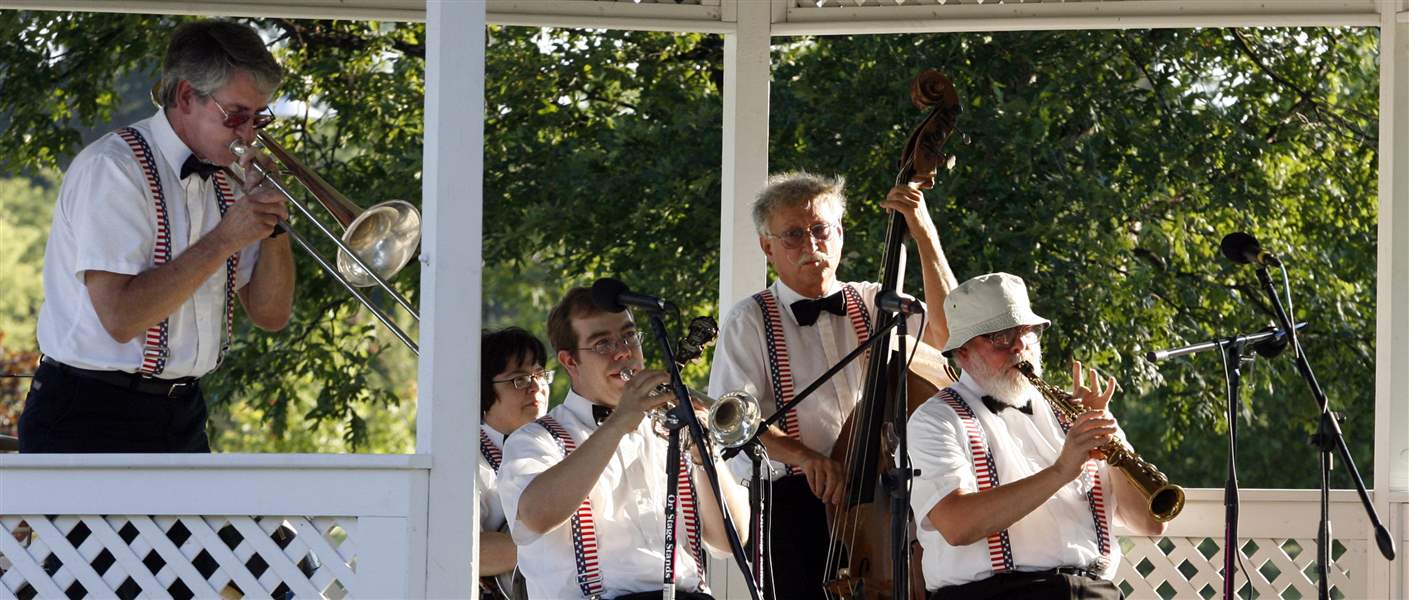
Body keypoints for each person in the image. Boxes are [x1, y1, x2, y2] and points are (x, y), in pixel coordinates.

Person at [20, 19, 295, 453]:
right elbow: (121, 319)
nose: (249, 134)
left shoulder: (228, 180)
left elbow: (271, 315)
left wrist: (274, 220)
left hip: (183, 412)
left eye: (258, 117)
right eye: (236, 116)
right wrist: (225, 239)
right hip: (89, 413)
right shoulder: (114, 168)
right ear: (186, 96)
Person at [707, 171, 959, 598]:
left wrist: (923, 233)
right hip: (793, 502)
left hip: (880, 498)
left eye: (821, 230)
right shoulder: (748, 319)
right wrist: (805, 457)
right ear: (767, 247)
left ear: (840, 233)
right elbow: (735, 423)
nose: (811, 245)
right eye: (793, 235)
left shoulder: (879, 302)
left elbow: (952, 332)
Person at [906, 272, 1168, 599]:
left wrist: (1110, 445)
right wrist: (1062, 471)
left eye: (1028, 332)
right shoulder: (935, 419)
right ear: (963, 351)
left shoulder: (1073, 412)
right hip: (995, 595)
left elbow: (1152, 524)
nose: (1020, 346)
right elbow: (956, 524)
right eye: (1001, 337)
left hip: (1094, 591)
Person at [498, 287, 750, 600]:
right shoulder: (535, 440)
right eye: (603, 343)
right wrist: (619, 422)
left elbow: (731, 539)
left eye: (629, 336)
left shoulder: (671, 429)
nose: (623, 352)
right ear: (570, 361)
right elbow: (535, 516)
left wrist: (705, 452)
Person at [478, 327, 552, 598]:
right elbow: (463, 548)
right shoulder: (466, 458)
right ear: (483, 389)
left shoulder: (564, 443)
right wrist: (559, 548)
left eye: (539, 374)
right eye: (519, 379)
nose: (536, 386)